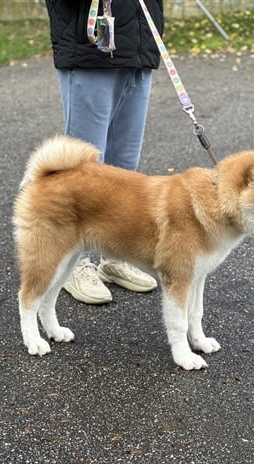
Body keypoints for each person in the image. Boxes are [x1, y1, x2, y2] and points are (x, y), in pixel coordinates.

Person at [45, 0, 163, 304]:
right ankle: (73, 263)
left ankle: (115, 256)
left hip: (138, 48)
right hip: (90, 50)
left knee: (125, 169)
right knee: (82, 170)